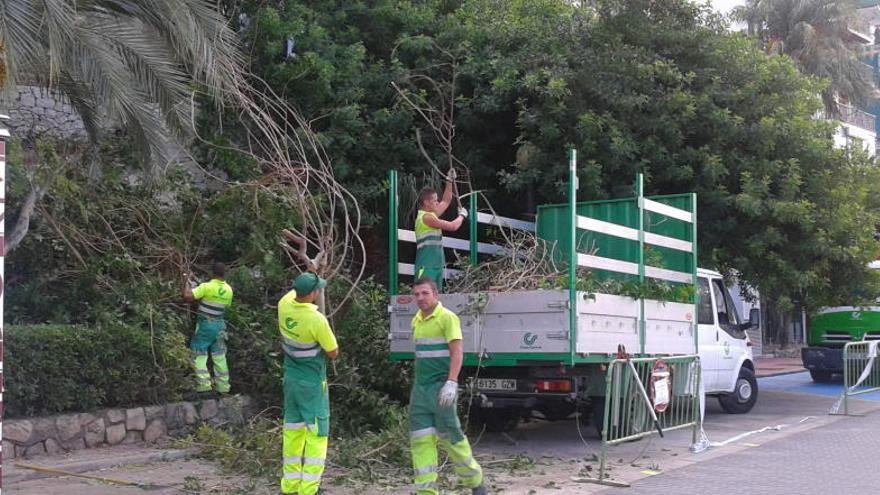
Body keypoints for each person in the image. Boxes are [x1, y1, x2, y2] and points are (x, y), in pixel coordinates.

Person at [409, 276, 485, 495]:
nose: (420, 298)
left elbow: (457, 351)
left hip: (441, 389)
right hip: (421, 390)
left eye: (425, 293)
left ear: (435, 295)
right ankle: (426, 491)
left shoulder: (447, 317)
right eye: (416, 294)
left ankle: (476, 483)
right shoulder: (417, 320)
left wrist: (451, 382)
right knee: (420, 440)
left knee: (452, 437)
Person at [278, 272, 339, 495]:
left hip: (291, 381)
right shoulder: (316, 320)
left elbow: (294, 292)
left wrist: (310, 270)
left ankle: (289, 486)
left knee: (292, 432)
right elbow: (333, 352)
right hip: (312, 385)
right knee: (317, 436)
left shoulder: (283, 305)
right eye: (318, 289)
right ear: (313, 294)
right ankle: (309, 489)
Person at [182, 262, 233, 395]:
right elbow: (225, 306)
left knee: (199, 352)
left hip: (206, 325)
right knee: (220, 355)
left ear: (212, 273)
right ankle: (223, 387)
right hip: (220, 326)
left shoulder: (206, 287)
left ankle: (204, 385)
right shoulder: (229, 290)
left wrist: (187, 283)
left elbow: (188, 297)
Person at [415, 168, 468, 292]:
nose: (437, 202)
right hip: (426, 267)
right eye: (434, 200)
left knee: (435, 299)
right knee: (426, 300)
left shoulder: (431, 213)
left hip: (436, 266)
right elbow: (453, 226)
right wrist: (462, 216)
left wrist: (449, 180)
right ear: (426, 202)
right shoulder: (426, 218)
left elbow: (446, 200)